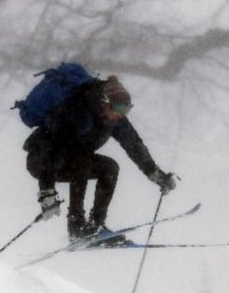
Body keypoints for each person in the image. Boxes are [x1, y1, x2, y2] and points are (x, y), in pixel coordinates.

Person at [24, 74, 176, 245]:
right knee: (81, 157)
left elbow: (134, 145)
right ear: (104, 101)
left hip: (72, 161)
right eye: (118, 109)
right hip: (41, 161)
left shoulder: (114, 119)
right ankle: (77, 227)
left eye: (126, 110)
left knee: (110, 167)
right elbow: (49, 149)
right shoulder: (76, 110)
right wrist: (47, 192)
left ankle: (96, 227)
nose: (120, 115)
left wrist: (156, 175)